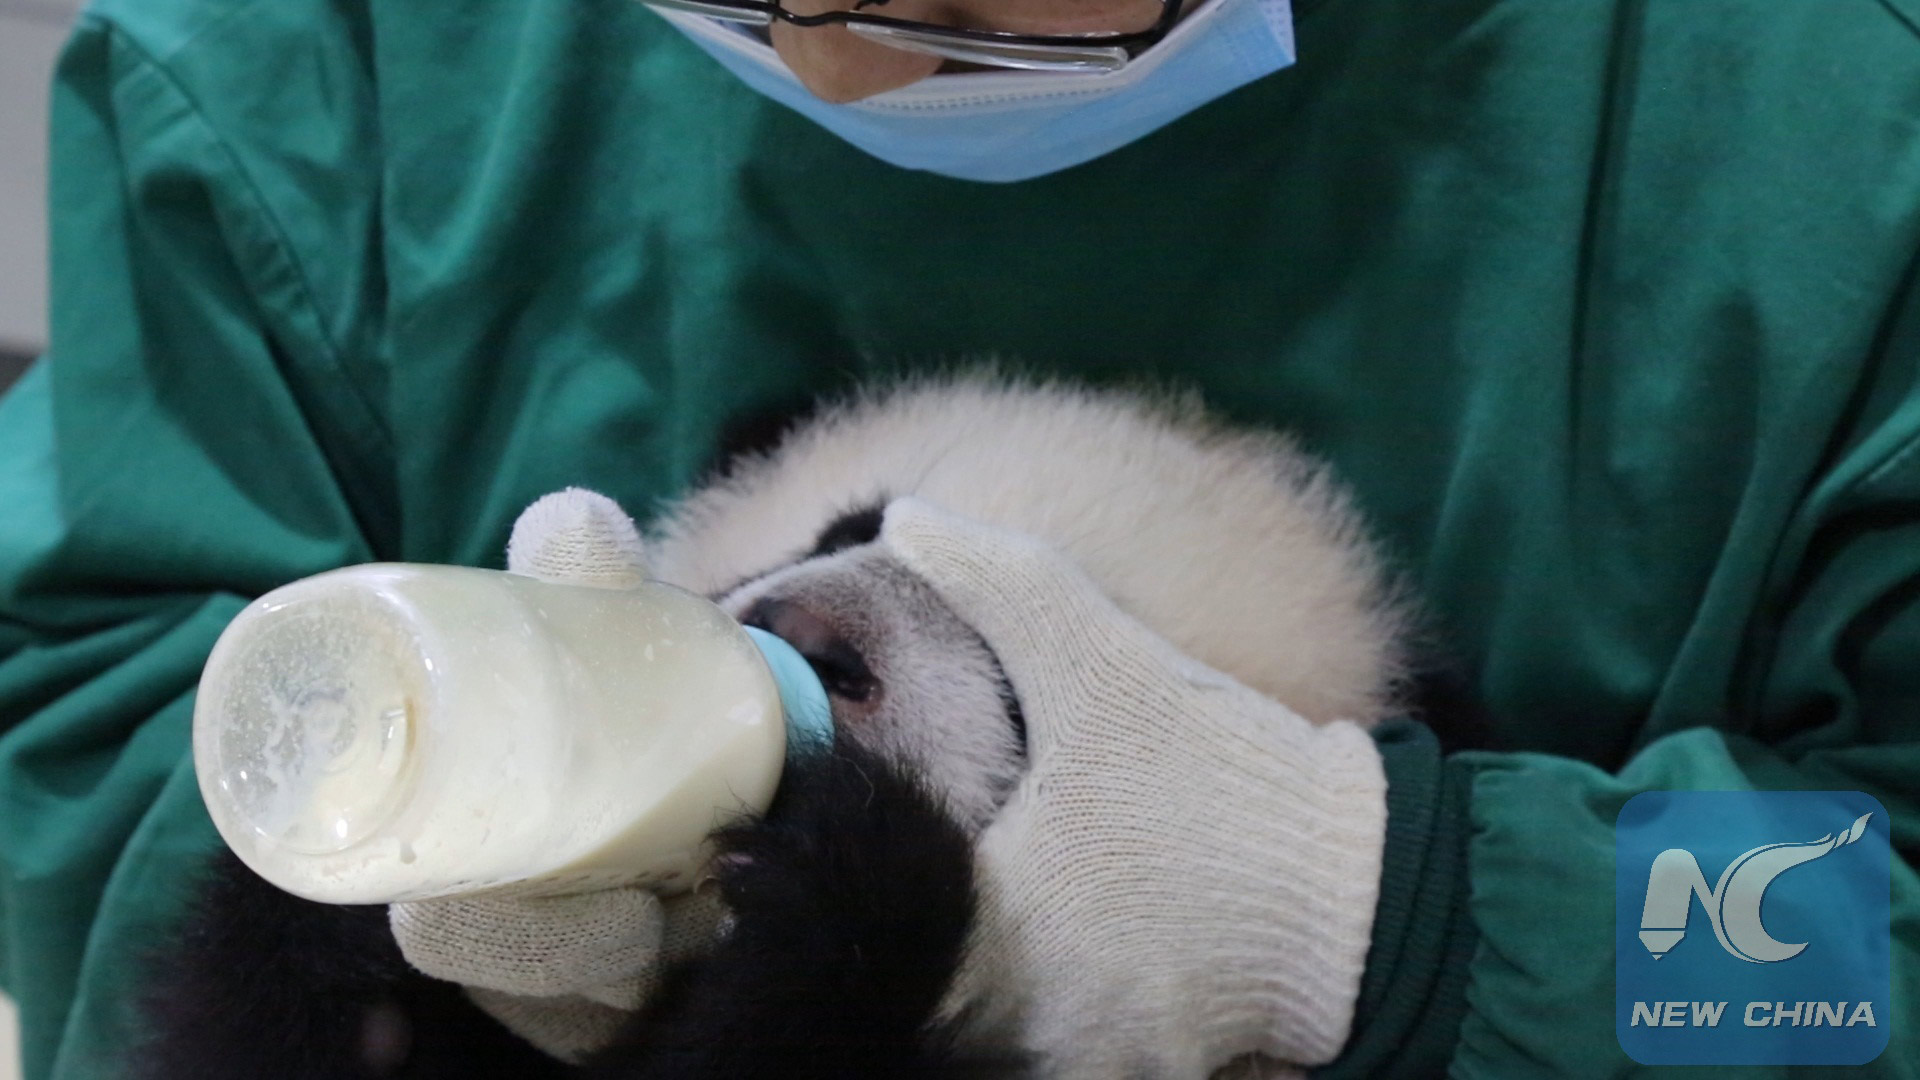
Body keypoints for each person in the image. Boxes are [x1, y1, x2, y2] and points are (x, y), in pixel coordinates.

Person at [0, 0, 1914, 1075]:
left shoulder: (1841, 133)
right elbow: (88, 717)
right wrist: (393, 908)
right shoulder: (307, 60)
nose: (831, 56)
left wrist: (1388, 906)